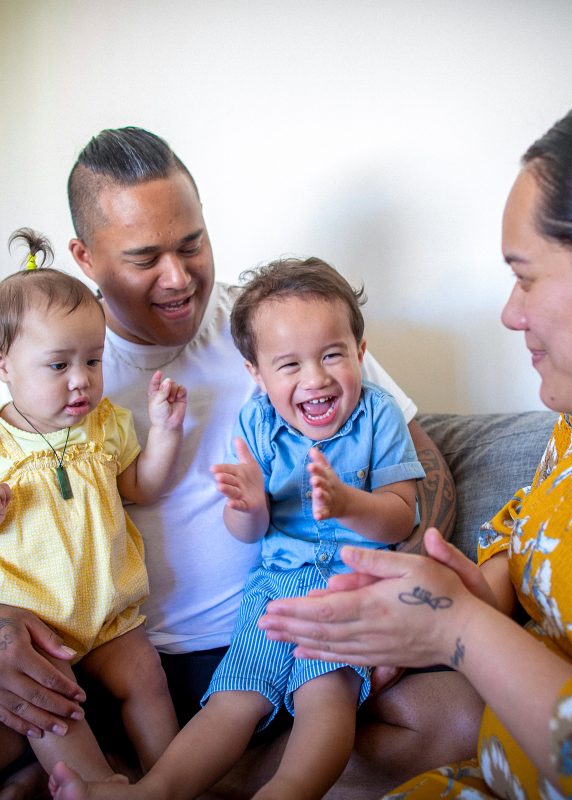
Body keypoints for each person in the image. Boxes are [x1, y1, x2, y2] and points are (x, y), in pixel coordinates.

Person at [0, 127, 480, 799]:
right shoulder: (50, 364)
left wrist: (388, 597)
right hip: (118, 656)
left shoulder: (280, 329)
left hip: (300, 623)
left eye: (191, 243)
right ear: (85, 255)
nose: (178, 277)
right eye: (145, 257)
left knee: (457, 718)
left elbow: (417, 463)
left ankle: (151, 782)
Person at [244, 97, 572, 798]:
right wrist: (465, 590)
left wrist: (457, 631)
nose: (508, 311)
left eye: (526, 276)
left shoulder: (376, 417)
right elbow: (522, 537)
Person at [0, 230, 183, 788]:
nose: (82, 380)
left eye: (93, 360)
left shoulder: (104, 426)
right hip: (34, 627)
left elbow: (140, 486)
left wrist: (167, 436)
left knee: (147, 678)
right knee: (54, 708)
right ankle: (94, 785)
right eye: (58, 365)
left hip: (109, 615)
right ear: (4, 364)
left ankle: (173, 777)